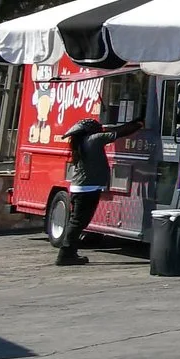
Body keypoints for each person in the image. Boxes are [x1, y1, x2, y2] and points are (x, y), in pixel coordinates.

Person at [54, 110, 143, 265]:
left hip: (81, 188)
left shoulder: (82, 142)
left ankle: (69, 253)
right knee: (77, 223)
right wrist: (138, 124)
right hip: (87, 189)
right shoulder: (93, 140)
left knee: (77, 222)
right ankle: (65, 254)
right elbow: (118, 133)